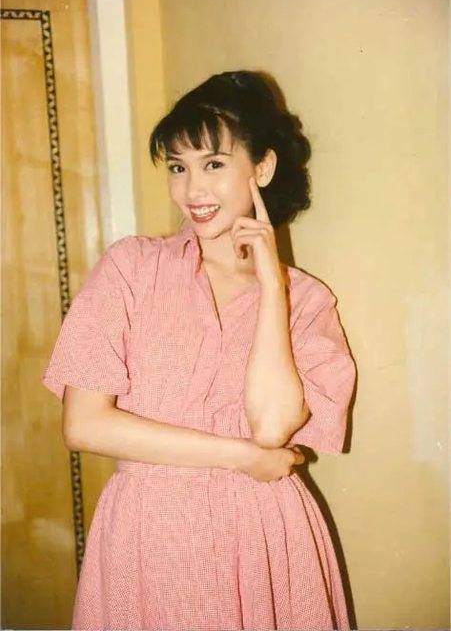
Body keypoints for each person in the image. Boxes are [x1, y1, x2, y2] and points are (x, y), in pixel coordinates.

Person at [43, 70, 356, 630]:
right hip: (147, 533)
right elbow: (84, 425)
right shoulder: (131, 268)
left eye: (213, 164)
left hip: (262, 539)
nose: (192, 191)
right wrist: (240, 457)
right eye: (177, 168)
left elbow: (272, 429)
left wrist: (272, 288)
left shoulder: (307, 301)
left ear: (262, 167)